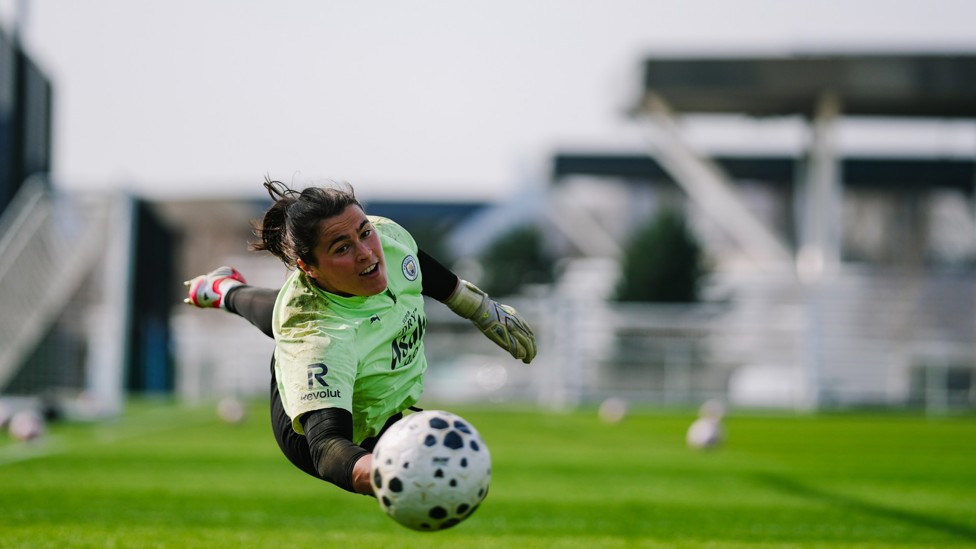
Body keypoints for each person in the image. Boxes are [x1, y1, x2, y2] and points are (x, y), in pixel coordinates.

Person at [183, 178, 536, 496]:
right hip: (321, 437)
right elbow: (327, 448)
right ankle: (228, 292)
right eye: (341, 248)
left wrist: (479, 308)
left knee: (289, 310)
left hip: (376, 395)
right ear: (309, 268)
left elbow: (414, 263)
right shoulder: (316, 339)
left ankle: (222, 288)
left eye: (364, 232)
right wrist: (386, 471)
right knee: (292, 317)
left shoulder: (385, 236)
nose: (367, 252)